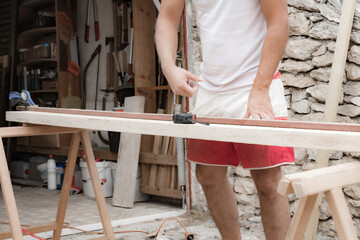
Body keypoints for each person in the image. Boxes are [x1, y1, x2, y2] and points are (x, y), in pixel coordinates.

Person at [155, 0, 295, 239]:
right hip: (211, 88)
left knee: (269, 182)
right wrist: (169, 68)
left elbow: (279, 22)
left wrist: (260, 89)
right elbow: (167, 18)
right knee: (208, 177)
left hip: (256, 84)